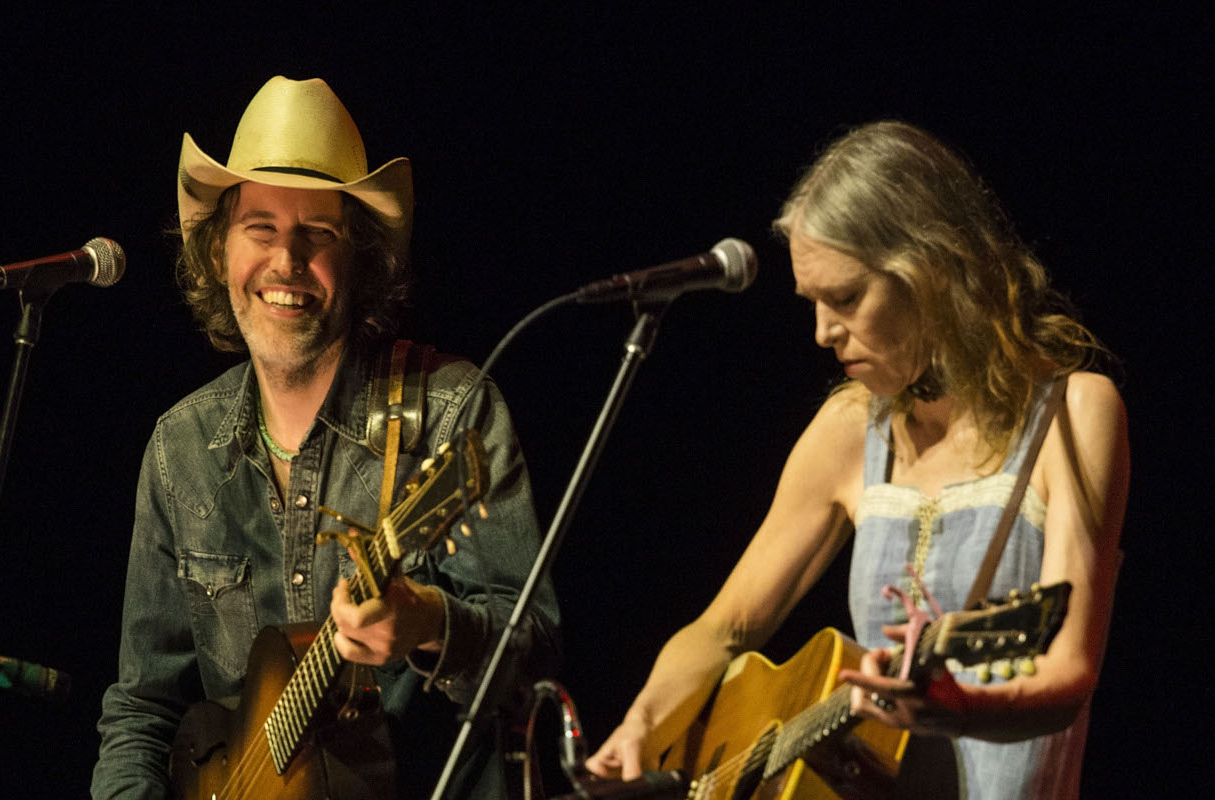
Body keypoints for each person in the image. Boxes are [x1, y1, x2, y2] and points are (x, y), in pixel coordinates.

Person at [584, 121, 1129, 799]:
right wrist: (641, 723)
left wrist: (961, 710)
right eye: (812, 303)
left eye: (845, 298)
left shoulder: (1072, 413)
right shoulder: (848, 428)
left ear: (931, 271)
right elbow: (725, 628)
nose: (821, 332)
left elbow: (1071, 671)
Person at [91, 76, 559, 799]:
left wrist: (429, 623)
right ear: (217, 254)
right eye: (261, 228)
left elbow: (537, 660)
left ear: (361, 259)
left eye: (319, 232)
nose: (287, 260)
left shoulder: (452, 411)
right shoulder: (179, 447)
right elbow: (142, 709)